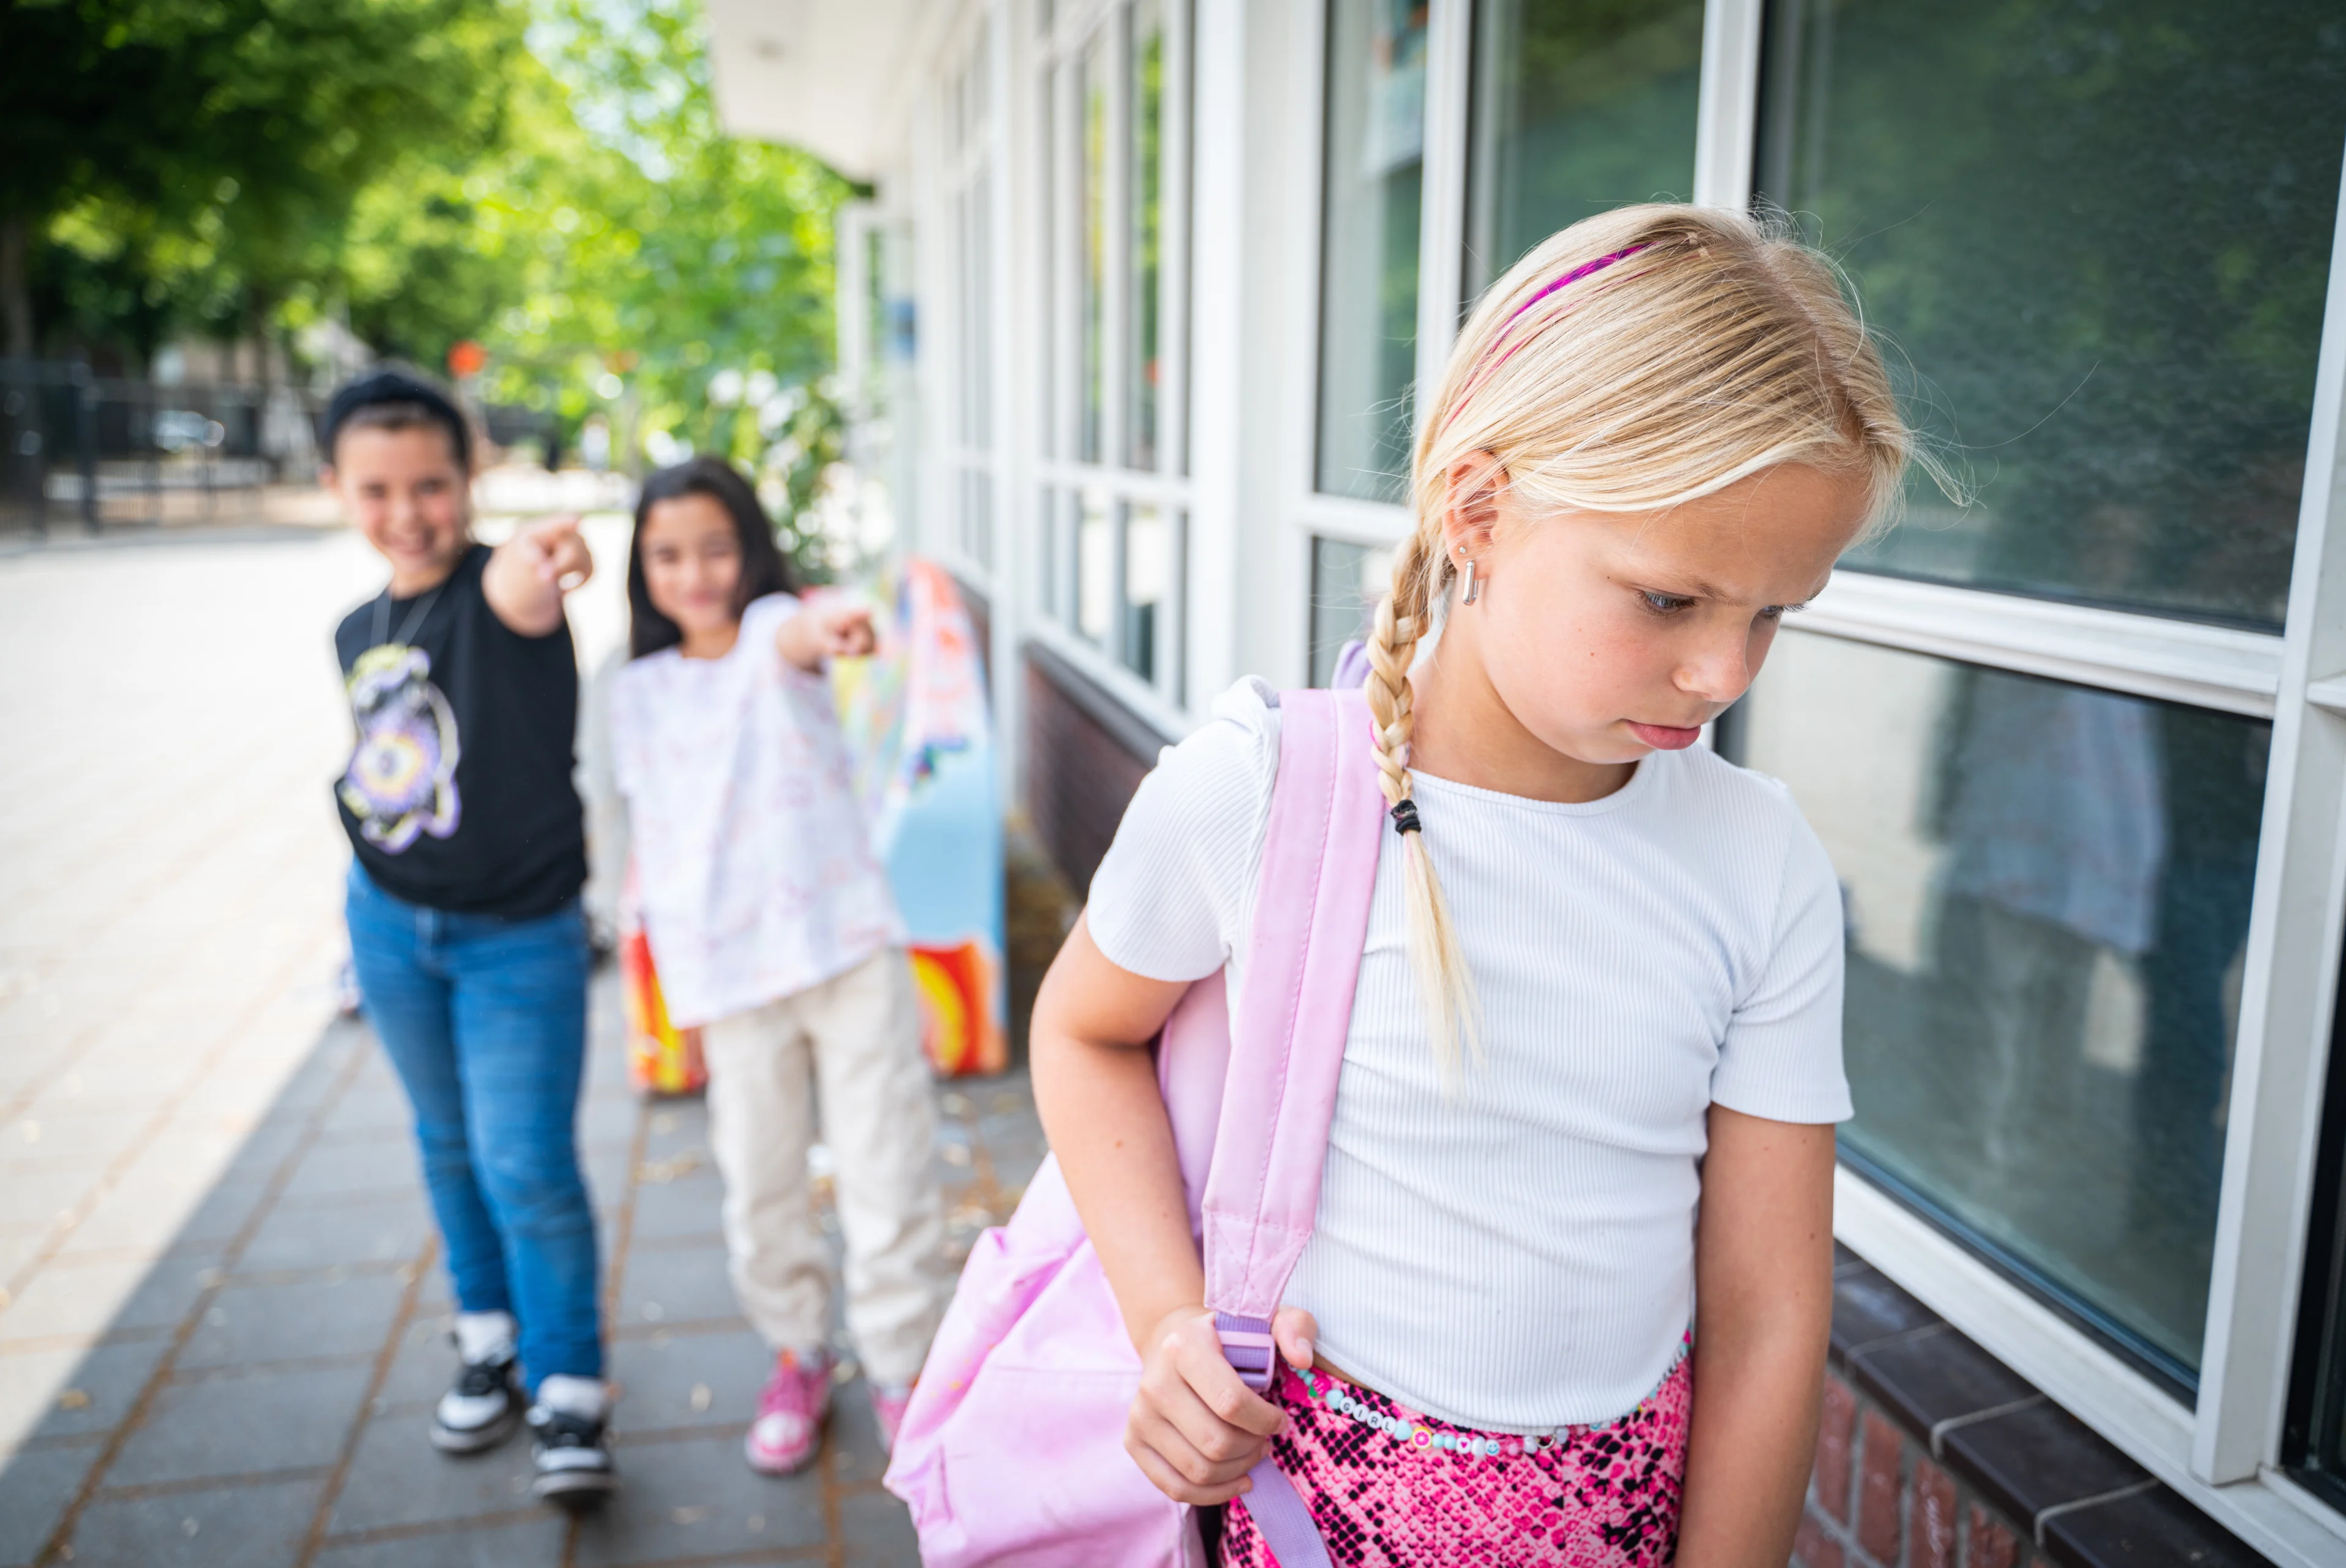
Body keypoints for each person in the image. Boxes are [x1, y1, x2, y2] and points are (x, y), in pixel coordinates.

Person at [1030, 204, 1940, 1564]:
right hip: (1309, 1514)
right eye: (1670, 600)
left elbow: (1763, 1314)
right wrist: (1169, 1320)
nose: (1726, 675)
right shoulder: (1264, 785)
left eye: (1775, 612)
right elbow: (1084, 1026)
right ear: (1478, 507)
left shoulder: (1762, 861)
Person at [607, 456, 947, 1475]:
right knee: (759, 1188)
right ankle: (798, 1351)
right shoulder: (634, 691)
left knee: (887, 1174)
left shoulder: (770, 637)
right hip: (731, 981)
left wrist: (839, 623)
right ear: (643, 568)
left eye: (716, 546)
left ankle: (902, 1368)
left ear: (750, 548)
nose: (695, 572)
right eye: (668, 554)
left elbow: (809, 624)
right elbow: (651, 841)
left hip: (845, 954)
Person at [323, 366, 615, 1506]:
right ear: (338, 488)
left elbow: (533, 580)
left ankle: (570, 1390)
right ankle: (487, 1335)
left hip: (518, 940)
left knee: (527, 1163)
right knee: (444, 1143)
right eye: (378, 487)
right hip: (390, 925)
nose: (408, 511)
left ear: (471, 477)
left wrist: (549, 556)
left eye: (432, 484)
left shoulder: (501, 587)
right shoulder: (356, 626)